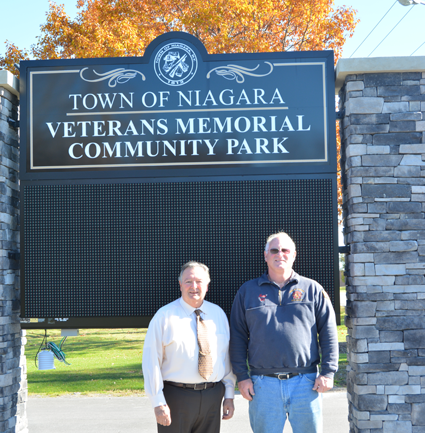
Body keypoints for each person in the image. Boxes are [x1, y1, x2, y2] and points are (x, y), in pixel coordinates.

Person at [229, 232, 338, 433]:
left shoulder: (312, 289)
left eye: (285, 250)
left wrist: (328, 372)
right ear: (265, 255)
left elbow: (329, 333)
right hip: (262, 385)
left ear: (294, 255)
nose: (280, 254)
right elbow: (237, 337)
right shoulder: (247, 291)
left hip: (306, 383)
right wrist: (242, 377)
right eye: (274, 250)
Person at [142, 261, 236, 433]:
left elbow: (226, 358)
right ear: (180, 285)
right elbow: (151, 362)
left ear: (207, 285)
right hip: (176, 398)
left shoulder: (218, 314)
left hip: (212, 396)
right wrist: (158, 402)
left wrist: (229, 395)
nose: (194, 286)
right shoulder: (164, 317)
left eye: (199, 281)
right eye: (188, 281)